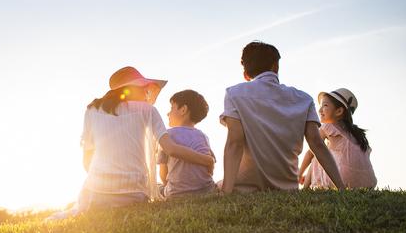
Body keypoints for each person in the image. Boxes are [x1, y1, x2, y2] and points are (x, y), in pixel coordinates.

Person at [78, 67, 215, 211]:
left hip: (96, 194)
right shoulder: (148, 110)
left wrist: (105, 182)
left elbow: (87, 161)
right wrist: (208, 160)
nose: (146, 93)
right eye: (143, 88)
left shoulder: (91, 110)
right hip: (135, 194)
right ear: (132, 88)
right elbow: (171, 149)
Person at [219, 41, 345, 193]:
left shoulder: (234, 94)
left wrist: (226, 192)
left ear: (246, 74)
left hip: (245, 188)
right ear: (275, 66)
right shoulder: (304, 99)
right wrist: (342, 188)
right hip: (287, 189)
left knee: (213, 186)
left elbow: (235, 143)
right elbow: (317, 144)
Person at [298, 88, 377, 189]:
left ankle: (305, 189)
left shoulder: (328, 127)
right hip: (368, 183)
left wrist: (299, 174)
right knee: (325, 149)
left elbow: (310, 154)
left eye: (325, 105)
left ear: (339, 111)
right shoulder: (357, 134)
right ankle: (310, 184)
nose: (320, 110)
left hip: (344, 181)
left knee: (317, 152)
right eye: (320, 106)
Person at [157, 90, 216, 198]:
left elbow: (163, 173)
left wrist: (168, 186)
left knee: (157, 186)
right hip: (206, 190)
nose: (168, 113)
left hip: (176, 193)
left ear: (183, 110)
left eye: (171, 108)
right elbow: (210, 167)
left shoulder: (167, 136)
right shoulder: (203, 136)